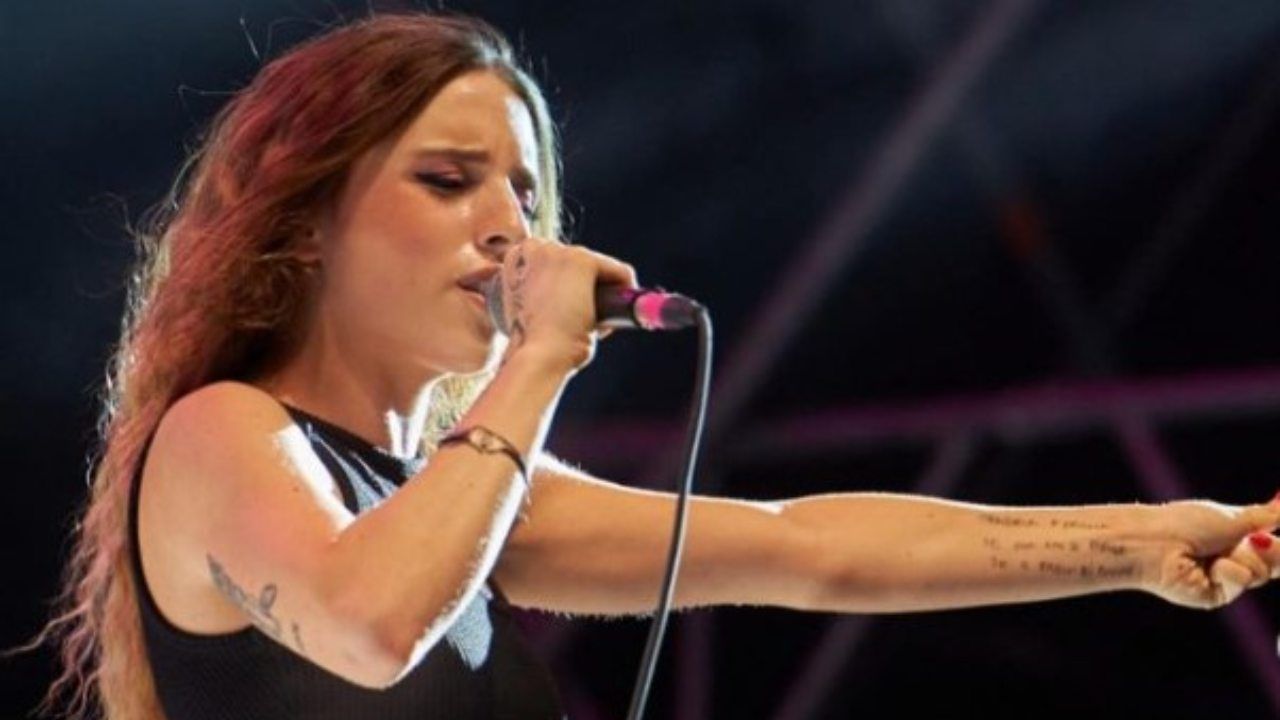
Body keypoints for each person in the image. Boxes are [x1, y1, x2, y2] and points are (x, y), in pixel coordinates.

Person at [34, 11, 1280, 720]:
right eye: (448, 181)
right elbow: (367, 625)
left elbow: (811, 548)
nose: (509, 229)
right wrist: (539, 359)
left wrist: (1142, 540)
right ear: (305, 222)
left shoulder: (467, 501)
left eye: (525, 193)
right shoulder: (220, 436)